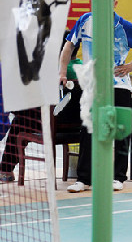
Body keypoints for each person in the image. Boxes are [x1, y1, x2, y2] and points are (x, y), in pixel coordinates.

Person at [59, 0, 132, 192]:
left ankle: (118, 176)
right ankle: (84, 179)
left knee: (120, 131)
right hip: (93, 86)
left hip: (119, 85)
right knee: (88, 129)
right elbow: (69, 46)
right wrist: (62, 72)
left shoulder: (123, 26)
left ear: (114, 3)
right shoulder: (85, 21)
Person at [0, 32, 82, 183]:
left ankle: (5, 170)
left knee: (21, 121)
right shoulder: (84, 68)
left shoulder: (55, 71)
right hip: (80, 126)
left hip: (53, 124)